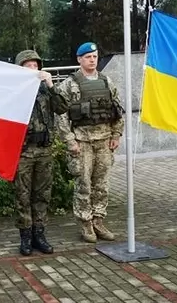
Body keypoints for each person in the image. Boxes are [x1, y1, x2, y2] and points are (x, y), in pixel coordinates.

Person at [55, 42, 124, 243]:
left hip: (103, 141)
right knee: (83, 185)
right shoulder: (69, 84)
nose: (92, 60)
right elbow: (60, 115)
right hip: (82, 142)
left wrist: (116, 134)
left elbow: (118, 110)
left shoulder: (106, 82)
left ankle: (98, 221)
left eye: (94, 57)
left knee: (102, 185)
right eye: (88, 57)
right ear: (79, 59)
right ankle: (85, 224)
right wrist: (70, 141)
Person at [13, 50, 68, 256]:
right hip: (24, 151)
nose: (33, 69)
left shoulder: (45, 89)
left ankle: (40, 234)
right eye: (28, 65)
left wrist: (52, 85)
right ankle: (25, 236)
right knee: (23, 195)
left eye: (35, 65)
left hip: (44, 150)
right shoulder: (14, 90)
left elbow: (62, 107)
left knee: (42, 195)